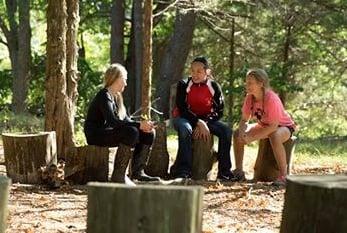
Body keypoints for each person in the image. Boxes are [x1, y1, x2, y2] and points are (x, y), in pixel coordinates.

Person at [84, 63, 160, 182]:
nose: (126, 83)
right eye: (124, 79)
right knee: (131, 132)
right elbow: (113, 122)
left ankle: (138, 172)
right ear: (116, 78)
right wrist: (138, 125)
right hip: (96, 135)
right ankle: (119, 175)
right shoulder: (104, 96)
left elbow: (125, 120)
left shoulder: (117, 97)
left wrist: (144, 126)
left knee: (148, 133)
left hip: (108, 132)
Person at [170, 56, 235, 181]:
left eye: (199, 71)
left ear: (207, 72)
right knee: (185, 129)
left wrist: (204, 123)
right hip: (184, 118)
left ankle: (224, 172)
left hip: (206, 120)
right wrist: (198, 122)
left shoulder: (214, 86)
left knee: (226, 131)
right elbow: (182, 108)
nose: (195, 74)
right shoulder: (183, 84)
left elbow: (219, 111)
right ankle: (184, 171)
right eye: (193, 70)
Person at [233, 68, 296, 185]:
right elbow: (244, 120)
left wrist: (251, 138)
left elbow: (273, 126)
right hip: (264, 125)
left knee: (274, 135)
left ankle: (284, 176)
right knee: (237, 133)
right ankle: (239, 171)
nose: (247, 85)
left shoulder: (271, 99)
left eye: (250, 83)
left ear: (261, 83)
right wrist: (242, 133)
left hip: (283, 126)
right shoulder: (249, 97)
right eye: (246, 82)